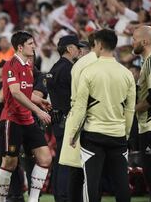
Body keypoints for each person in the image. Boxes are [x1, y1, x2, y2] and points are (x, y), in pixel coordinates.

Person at [67, 29, 135, 202]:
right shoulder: (127, 74)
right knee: (122, 184)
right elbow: (130, 109)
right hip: (118, 135)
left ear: (100, 45)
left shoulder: (88, 72)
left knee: (91, 183)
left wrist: (73, 133)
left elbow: (80, 107)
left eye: (95, 43)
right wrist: (125, 133)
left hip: (93, 135)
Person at [0, 31, 52, 202]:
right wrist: (38, 111)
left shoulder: (28, 66)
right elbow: (15, 93)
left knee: (45, 158)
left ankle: (33, 199)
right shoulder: (11, 65)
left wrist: (41, 101)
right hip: (12, 120)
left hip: (27, 120)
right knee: (9, 164)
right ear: (20, 47)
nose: (34, 46)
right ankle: (0, 200)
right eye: (30, 43)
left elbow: (26, 93)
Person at [59, 33, 98, 202]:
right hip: (84, 119)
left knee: (73, 169)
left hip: (72, 118)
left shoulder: (73, 66)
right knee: (85, 169)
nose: (80, 51)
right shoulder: (74, 67)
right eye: (78, 48)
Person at [46, 34, 84, 202]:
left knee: (61, 160)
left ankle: (59, 195)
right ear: (69, 49)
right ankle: (64, 196)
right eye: (77, 47)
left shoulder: (54, 68)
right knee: (67, 161)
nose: (79, 50)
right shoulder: (70, 68)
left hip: (57, 118)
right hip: (67, 119)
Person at [133, 25, 151, 202]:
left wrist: (130, 110)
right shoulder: (147, 62)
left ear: (144, 41)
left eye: (134, 39)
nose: (132, 43)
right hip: (147, 126)